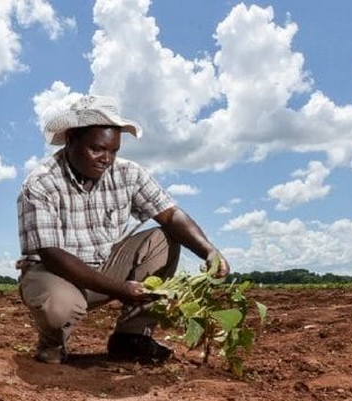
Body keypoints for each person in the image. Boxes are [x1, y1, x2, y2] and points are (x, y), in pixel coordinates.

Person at [16, 95, 229, 364]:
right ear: (71, 140)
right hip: (54, 273)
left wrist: (209, 251)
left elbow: (171, 214)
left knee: (164, 238)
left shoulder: (128, 173)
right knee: (61, 308)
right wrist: (120, 289)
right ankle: (52, 344)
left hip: (105, 267)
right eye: (96, 149)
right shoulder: (41, 183)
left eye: (113, 151)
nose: (106, 159)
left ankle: (132, 338)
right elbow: (52, 254)